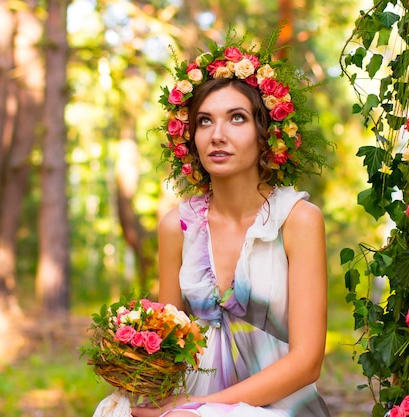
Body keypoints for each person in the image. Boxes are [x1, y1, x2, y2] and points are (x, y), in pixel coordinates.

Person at [132, 31, 332, 417]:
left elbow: (308, 362)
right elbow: (168, 348)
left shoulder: (298, 221)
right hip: (188, 405)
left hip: (276, 407)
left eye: (236, 118)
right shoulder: (177, 226)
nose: (217, 135)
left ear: (266, 135)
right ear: (190, 137)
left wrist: (198, 407)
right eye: (204, 121)